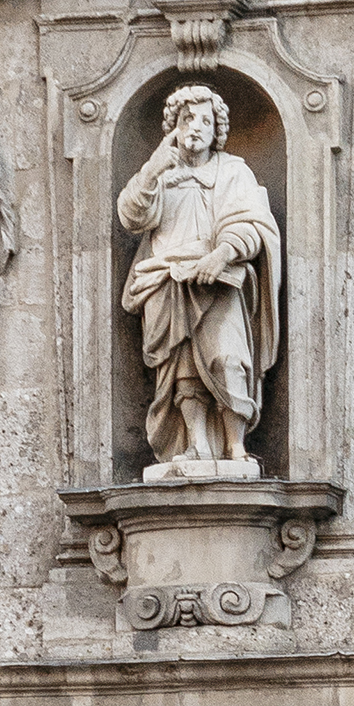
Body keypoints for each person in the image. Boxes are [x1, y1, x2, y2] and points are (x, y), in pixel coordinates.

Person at [116, 83, 282, 481]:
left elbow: (252, 223)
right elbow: (132, 215)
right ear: (173, 126)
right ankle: (197, 444)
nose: (196, 126)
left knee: (228, 359)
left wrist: (221, 253)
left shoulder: (233, 171)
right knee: (182, 370)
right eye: (188, 118)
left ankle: (237, 448)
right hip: (166, 280)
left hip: (218, 278)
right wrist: (154, 167)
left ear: (217, 129)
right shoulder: (159, 174)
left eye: (206, 120)